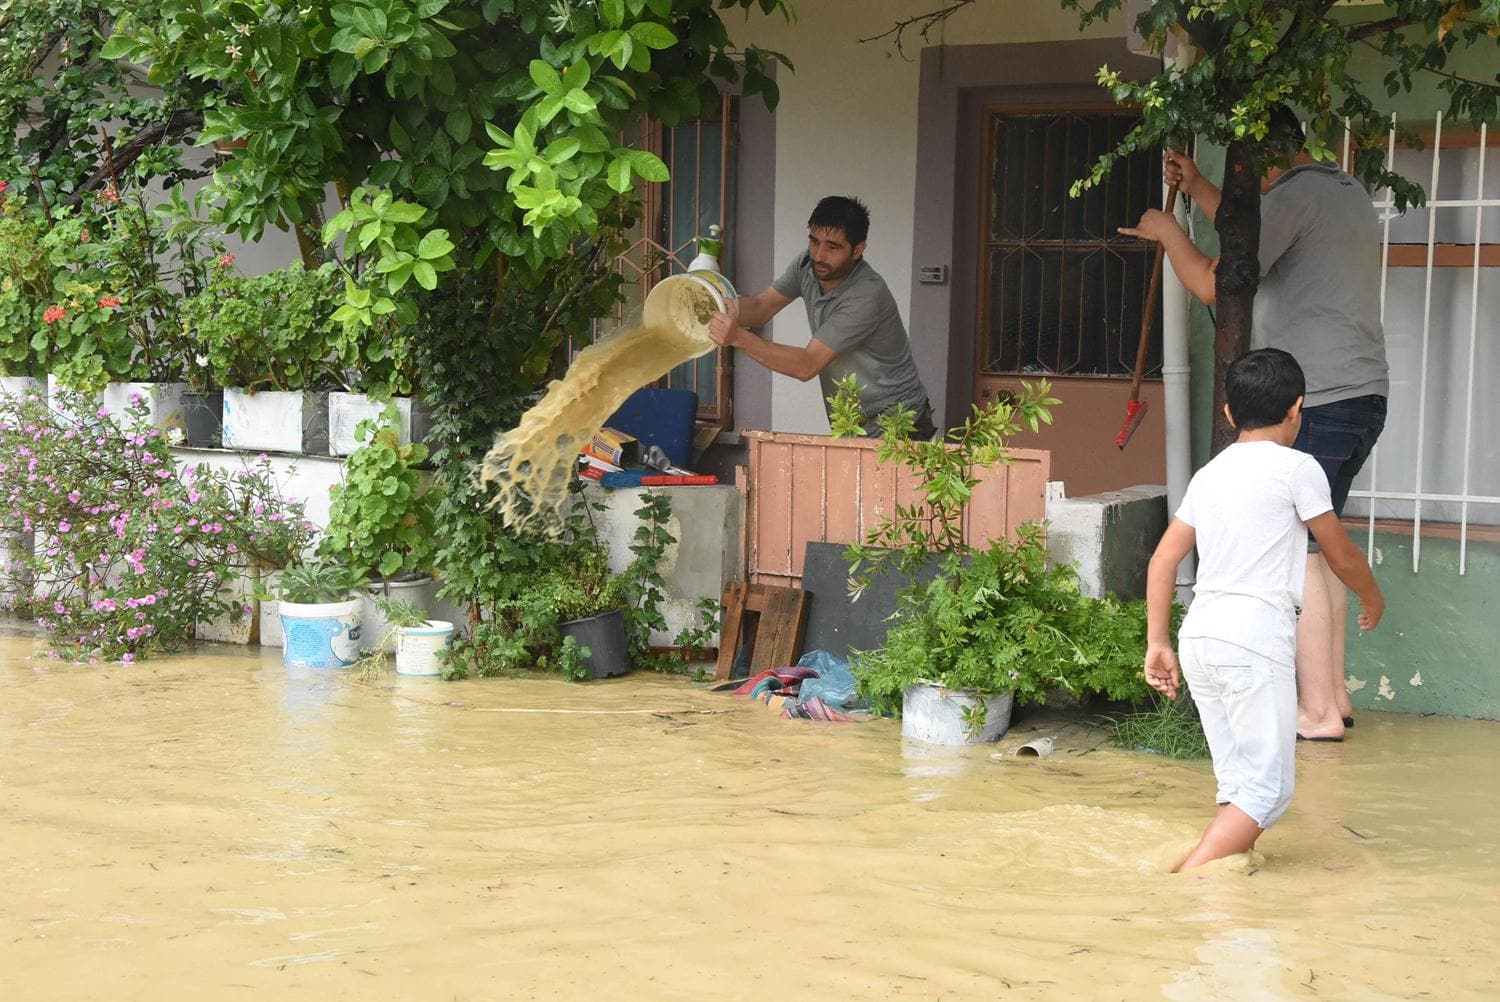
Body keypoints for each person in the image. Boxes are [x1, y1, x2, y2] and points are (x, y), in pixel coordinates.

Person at [1120, 108, 1388, 741]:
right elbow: (1251, 229)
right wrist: (1197, 188)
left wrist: (1168, 231)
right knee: (1320, 545)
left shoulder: (1292, 196)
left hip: (1314, 399)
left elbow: (1219, 282)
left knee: (1304, 552)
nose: (1249, 185)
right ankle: (1334, 696)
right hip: (1362, 394)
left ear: (1265, 157)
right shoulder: (1341, 188)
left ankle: (1316, 711)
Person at [1144, 349, 1384, 872]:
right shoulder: (1299, 469)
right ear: (1297, 409)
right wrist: (1373, 597)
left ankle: (1225, 883)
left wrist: (1158, 641)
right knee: (1268, 790)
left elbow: (1163, 560)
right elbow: (1339, 554)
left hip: (1200, 639)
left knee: (1238, 781)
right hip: (1253, 642)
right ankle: (1185, 879)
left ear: (1229, 412)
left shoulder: (1209, 474)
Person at [707, 195, 936, 439]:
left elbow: (807, 365)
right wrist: (711, 299)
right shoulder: (806, 265)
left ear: (858, 250)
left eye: (833, 247)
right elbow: (760, 307)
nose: (819, 255)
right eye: (814, 241)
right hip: (851, 422)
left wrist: (738, 337)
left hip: (901, 421)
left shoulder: (866, 295)